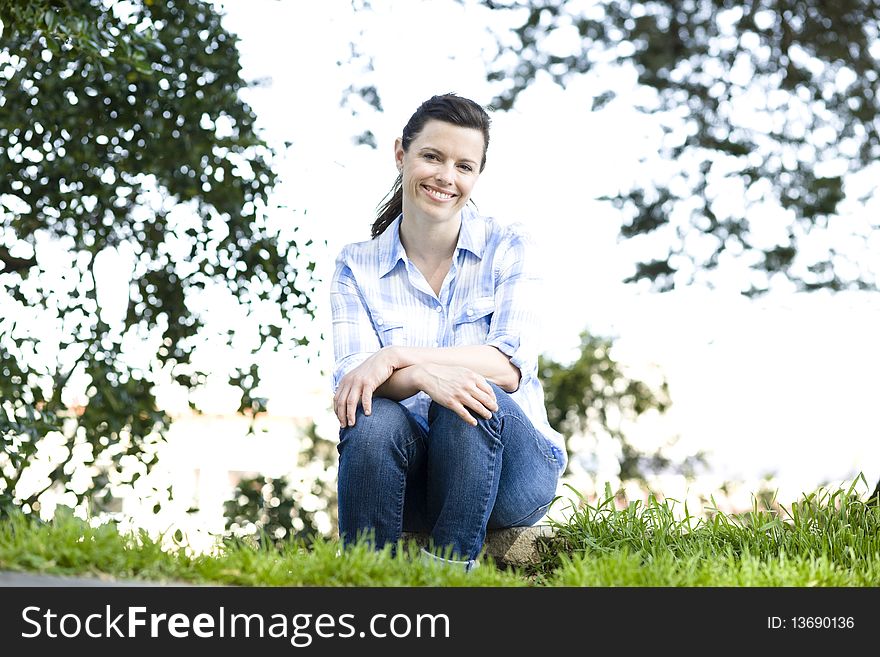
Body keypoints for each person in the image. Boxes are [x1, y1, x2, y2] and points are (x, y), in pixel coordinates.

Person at [330, 93, 567, 571]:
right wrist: (421, 378)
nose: (447, 177)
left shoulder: (510, 245)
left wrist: (397, 356)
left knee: (470, 396)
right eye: (432, 157)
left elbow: (506, 367)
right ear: (402, 154)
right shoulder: (355, 266)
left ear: (477, 174)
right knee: (371, 420)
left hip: (510, 472)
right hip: (412, 479)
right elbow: (355, 387)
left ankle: (448, 578)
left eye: (464, 166)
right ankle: (360, 578)